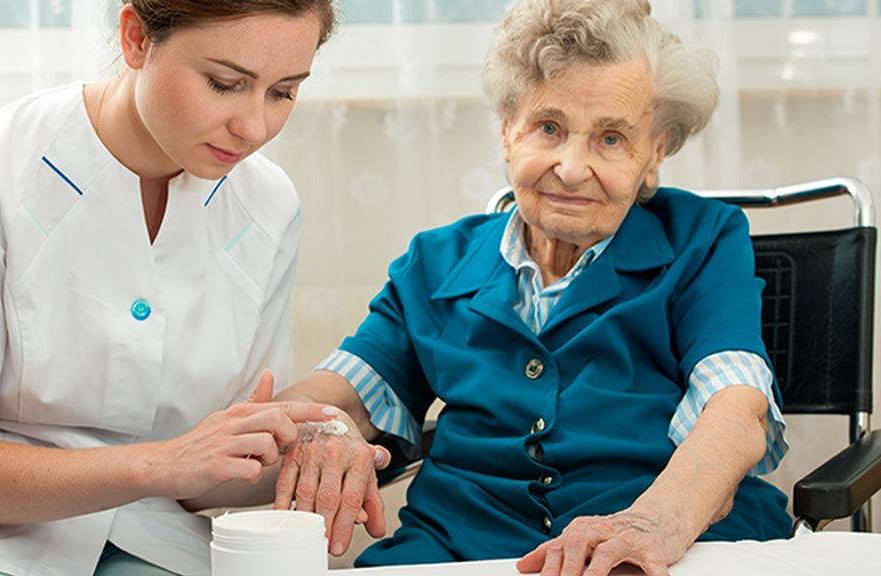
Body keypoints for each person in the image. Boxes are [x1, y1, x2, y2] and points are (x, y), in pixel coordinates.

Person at [271, 0, 792, 574]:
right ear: (506, 132)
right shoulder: (437, 260)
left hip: (661, 540)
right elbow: (343, 389)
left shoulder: (704, 239)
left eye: (611, 139)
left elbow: (736, 409)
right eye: (549, 128)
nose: (571, 168)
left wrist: (651, 524)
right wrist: (318, 424)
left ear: (656, 153)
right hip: (460, 549)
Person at [0, 1, 340, 575]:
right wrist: (165, 464)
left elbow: (207, 477)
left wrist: (314, 452)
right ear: (136, 38)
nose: (254, 127)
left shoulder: (268, 204)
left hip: (152, 535)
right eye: (224, 83)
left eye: (283, 92)